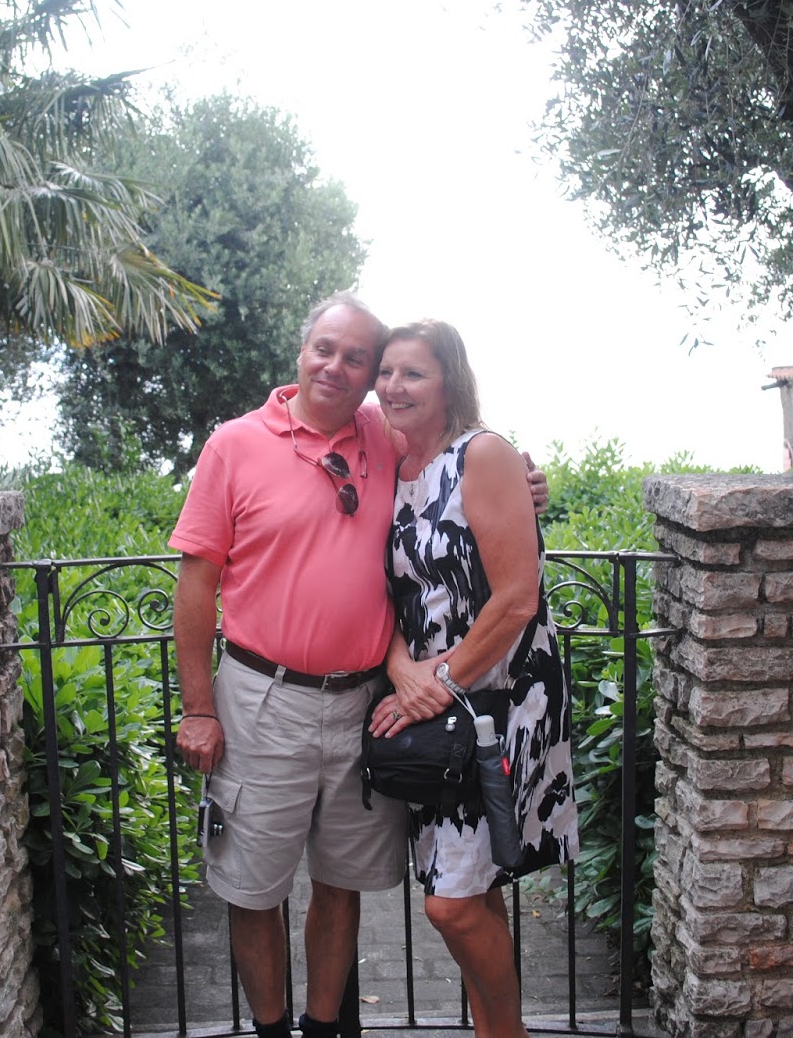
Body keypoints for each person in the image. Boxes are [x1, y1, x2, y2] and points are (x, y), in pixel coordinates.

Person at [171, 293, 545, 1038]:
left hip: (365, 702)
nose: (337, 368)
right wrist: (199, 707)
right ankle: (272, 1030)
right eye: (325, 349)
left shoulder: (383, 433)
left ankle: (324, 1030)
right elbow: (196, 584)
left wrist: (526, 479)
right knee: (252, 889)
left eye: (356, 359)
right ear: (301, 350)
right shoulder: (234, 444)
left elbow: (463, 456)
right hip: (262, 698)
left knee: (342, 883)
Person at [367, 319, 578, 1038]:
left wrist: (439, 680)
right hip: (434, 703)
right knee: (472, 891)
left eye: (413, 372)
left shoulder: (481, 454)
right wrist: (402, 668)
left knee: (451, 904)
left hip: (499, 701)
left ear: (449, 380)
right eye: (386, 371)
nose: (394, 386)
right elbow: (384, 591)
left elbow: (517, 597)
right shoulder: (390, 463)